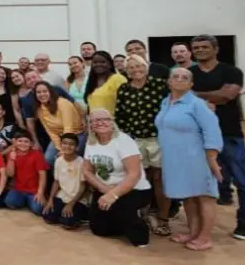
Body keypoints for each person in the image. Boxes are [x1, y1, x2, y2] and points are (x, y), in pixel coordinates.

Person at [189, 34, 245, 241]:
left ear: (215, 49)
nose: (200, 50)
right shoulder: (190, 73)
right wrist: (211, 96)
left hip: (228, 133)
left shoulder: (231, 71)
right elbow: (181, 95)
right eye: (196, 47)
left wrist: (194, 95)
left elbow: (227, 95)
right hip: (197, 135)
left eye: (204, 46)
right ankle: (200, 227)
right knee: (201, 182)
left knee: (242, 179)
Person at [156, 67, 224, 251]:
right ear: (169, 81)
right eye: (175, 76)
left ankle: (205, 237)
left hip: (197, 157)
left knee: (204, 196)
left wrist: (212, 157)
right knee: (188, 196)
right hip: (175, 159)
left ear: (191, 84)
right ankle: (193, 232)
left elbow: (212, 129)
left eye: (184, 77)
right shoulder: (165, 102)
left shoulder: (197, 104)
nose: (179, 79)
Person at [114, 55, 170, 236]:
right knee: (138, 178)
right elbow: (120, 115)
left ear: (146, 67)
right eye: (130, 67)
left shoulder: (159, 85)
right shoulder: (124, 89)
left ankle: (163, 218)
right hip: (135, 140)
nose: (135, 70)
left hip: (158, 139)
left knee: (160, 179)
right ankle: (143, 214)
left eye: (138, 66)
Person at [83, 109, 153, 248]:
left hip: (133, 188)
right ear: (90, 125)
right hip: (106, 187)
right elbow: (87, 171)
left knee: (123, 212)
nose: (101, 123)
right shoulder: (91, 142)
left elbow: (134, 174)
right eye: (95, 120)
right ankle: (121, 219)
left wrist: (113, 195)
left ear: (112, 122)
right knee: (99, 229)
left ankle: (140, 230)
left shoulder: (123, 141)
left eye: (105, 119)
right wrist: (105, 189)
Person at [42, 133, 89, 229]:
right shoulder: (58, 160)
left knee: (67, 223)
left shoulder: (81, 163)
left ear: (77, 147)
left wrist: (71, 204)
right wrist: (50, 199)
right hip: (62, 196)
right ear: (61, 145)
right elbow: (56, 182)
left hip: (78, 199)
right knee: (48, 217)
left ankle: (80, 217)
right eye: (65, 143)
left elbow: (83, 186)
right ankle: (64, 214)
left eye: (71, 144)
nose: (67, 146)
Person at [3, 130, 48, 215]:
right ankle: (26, 201)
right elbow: (10, 174)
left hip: (34, 190)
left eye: (26, 141)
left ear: (31, 143)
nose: (23, 144)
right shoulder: (12, 154)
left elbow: (42, 174)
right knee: (9, 202)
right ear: (15, 142)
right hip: (19, 189)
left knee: (38, 209)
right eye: (20, 141)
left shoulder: (37, 154)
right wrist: (11, 159)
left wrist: (40, 192)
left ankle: (30, 200)